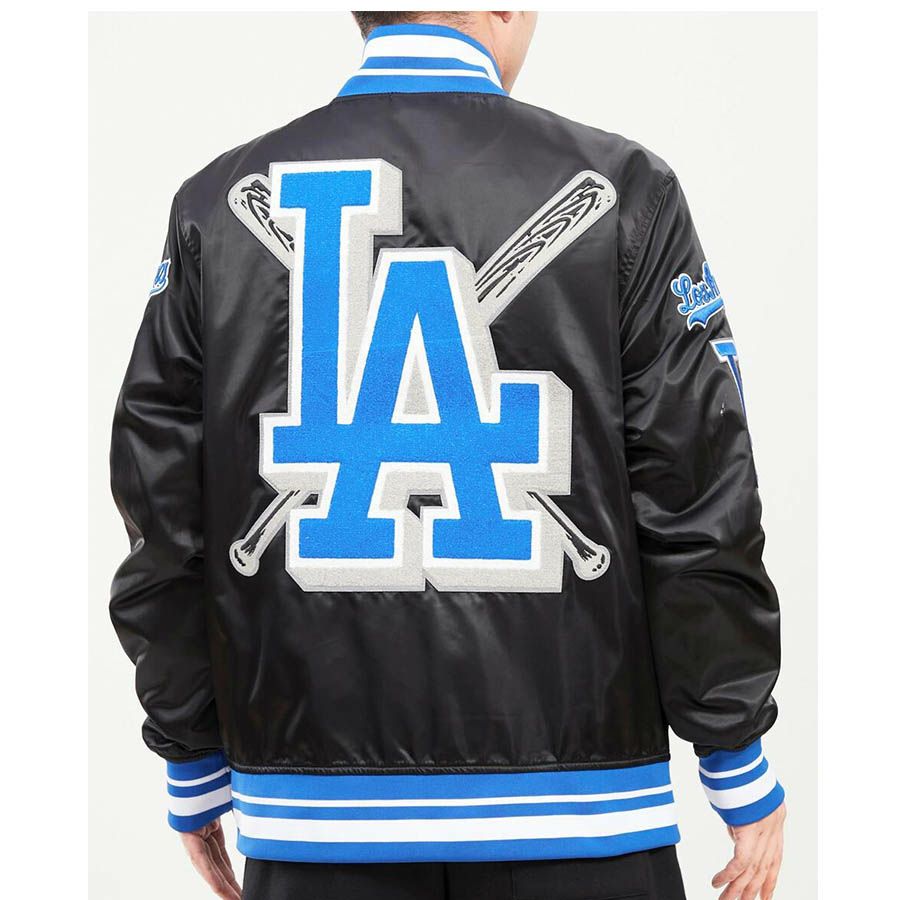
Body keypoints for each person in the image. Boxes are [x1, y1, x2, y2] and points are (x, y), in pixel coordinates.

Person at [110, 10, 786, 900]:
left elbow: (163, 509)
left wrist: (192, 753)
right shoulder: (623, 190)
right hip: (583, 820)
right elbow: (698, 496)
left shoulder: (215, 205)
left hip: (313, 826)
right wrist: (735, 753)